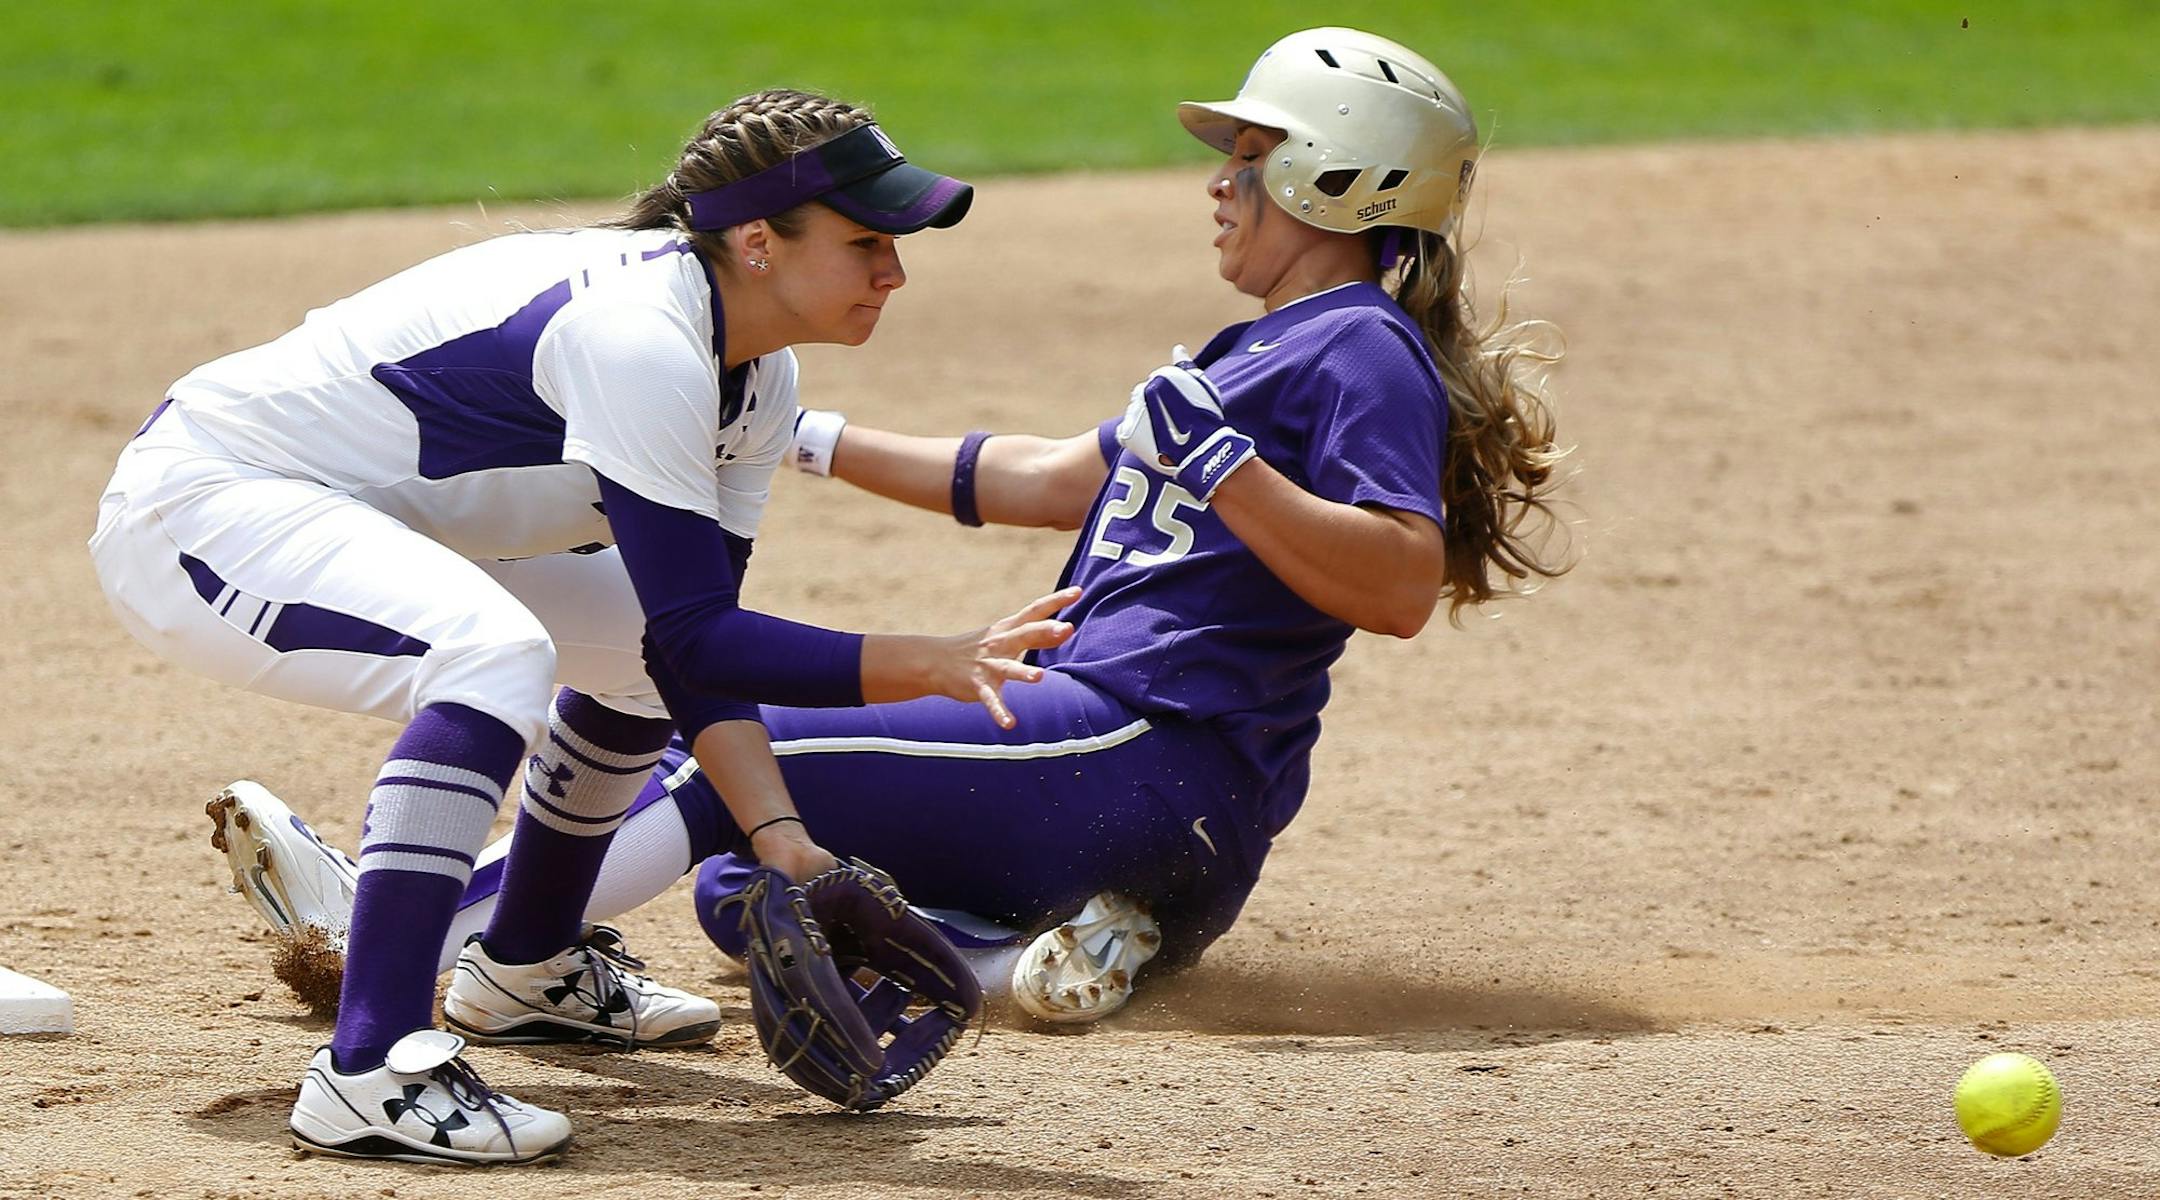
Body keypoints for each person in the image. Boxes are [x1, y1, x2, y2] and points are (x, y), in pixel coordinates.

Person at [213, 26, 1568, 1034]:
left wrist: (1224, 472)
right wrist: (804, 438)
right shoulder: (1269, 350)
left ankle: (411, 922)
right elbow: (1043, 480)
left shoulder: (1361, 352)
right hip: (1129, 810)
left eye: (1253, 160)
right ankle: (1020, 960)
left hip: (1137, 750)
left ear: (1340, 182)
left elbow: (1395, 582)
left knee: (731, 758)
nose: (1221, 184)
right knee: (750, 887)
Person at [94, 88, 1078, 1166]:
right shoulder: (639, 338)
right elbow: (706, 637)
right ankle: (369, 1068)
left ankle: (524, 963)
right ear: (757, 243)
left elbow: (682, 648)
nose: (893, 273)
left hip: (347, 513)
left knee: (627, 662)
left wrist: (783, 845)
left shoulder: (754, 376)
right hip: (205, 510)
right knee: (491, 656)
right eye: (865, 243)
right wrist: (925, 664)